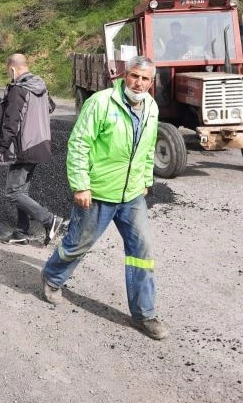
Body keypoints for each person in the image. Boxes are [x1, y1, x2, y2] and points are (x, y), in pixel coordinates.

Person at [40, 55, 170, 340]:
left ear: (151, 82)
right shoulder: (100, 102)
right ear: (125, 74)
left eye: (145, 78)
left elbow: (148, 148)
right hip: (98, 192)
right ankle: (52, 277)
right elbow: (78, 144)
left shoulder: (151, 107)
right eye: (135, 75)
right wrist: (81, 185)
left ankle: (144, 314)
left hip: (132, 194)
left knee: (142, 252)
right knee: (78, 243)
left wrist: (146, 179)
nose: (139, 82)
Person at [0, 53, 64, 245]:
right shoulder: (40, 86)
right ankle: (21, 232)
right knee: (22, 191)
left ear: (13, 69)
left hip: (25, 148)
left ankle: (50, 220)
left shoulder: (18, 90)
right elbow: (50, 107)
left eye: (8, 72)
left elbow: (10, 123)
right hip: (41, 144)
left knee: (13, 192)